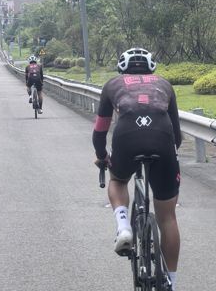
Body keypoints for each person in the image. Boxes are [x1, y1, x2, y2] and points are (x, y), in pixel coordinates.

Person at [92, 47, 182, 290]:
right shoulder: (165, 84)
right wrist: (169, 154)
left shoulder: (112, 85)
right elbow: (177, 134)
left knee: (118, 180)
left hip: (127, 137)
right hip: (162, 139)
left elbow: (100, 131)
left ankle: (123, 227)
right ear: (152, 68)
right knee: (168, 217)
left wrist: (102, 157)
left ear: (122, 68)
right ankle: (171, 283)